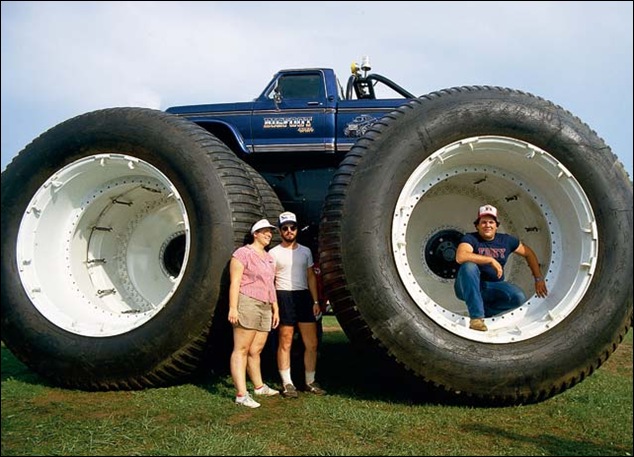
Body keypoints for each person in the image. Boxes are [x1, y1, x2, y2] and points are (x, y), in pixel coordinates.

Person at [454, 204, 548, 331]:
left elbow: (528, 253)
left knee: (518, 297)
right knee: (469, 266)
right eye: (483, 222)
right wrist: (490, 260)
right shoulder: (470, 238)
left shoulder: (506, 240)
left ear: (496, 226)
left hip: (491, 287)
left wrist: (538, 279)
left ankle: (487, 311)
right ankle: (476, 318)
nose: (487, 225)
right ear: (477, 225)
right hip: (466, 286)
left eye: (491, 222)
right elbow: (461, 256)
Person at [269, 211, 327, 398]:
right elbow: (270, 280)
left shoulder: (306, 251)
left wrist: (315, 301)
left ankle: (310, 381)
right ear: (280, 231)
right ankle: (287, 383)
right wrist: (274, 305)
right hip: (283, 295)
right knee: (285, 341)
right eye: (285, 228)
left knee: (311, 342)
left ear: (296, 229)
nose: (289, 231)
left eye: (292, 227)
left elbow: (311, 276)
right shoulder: (273, 253)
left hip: (303, 297)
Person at [228, 218, 281, 408]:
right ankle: (241, 394)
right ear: (255, 234)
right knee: (241, 349)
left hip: (266, 305)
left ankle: (259, 387)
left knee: (256, 349)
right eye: (265, 231)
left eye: (270, 232)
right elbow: (235, 282)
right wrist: (233, 308)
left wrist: (275, 308)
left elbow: (271, 285)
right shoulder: (242, 254)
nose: (269, 234)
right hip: (248, 302)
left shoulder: (268, 258)